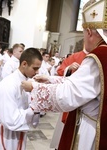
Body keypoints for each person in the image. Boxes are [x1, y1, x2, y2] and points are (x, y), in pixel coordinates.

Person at [21, 0, 107, 149]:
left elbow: (70, 94)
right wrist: (50, 79)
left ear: (88, 31)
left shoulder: (100, 56)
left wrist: (34, 87)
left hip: (92, 128)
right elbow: (82, 85)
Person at [0, 48, 43, 150]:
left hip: (19, 131)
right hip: (7, 135)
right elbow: (9, 119)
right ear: (24, 64)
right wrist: (33, 109)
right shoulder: (8, 84)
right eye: (35, 68)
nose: (37, 72)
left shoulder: (27, 81)